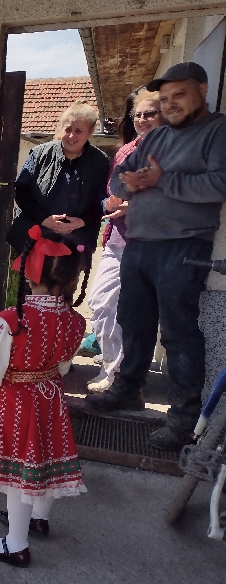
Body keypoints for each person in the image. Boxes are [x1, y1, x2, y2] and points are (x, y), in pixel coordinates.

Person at [85, 62, 226, 450]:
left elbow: (218, 184)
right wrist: (131, 182)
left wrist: (158, 180)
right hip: (139, 243)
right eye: (164, 99)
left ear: (202, 89)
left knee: (179, 333)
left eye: (179, 95)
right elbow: (117, 180)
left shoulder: (218, 130)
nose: (170, 104)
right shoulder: (155, 138)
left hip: (183, 245)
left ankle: (183, 421)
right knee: (133, 321)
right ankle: (128, 389)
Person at [0, 226, 88, 567]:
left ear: (29, 273)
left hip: (16, 403)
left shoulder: (12, 321)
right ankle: (39, 519)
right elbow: (64, 365)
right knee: (46, 461)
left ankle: (15, 543)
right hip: (51, 399)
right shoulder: (74, 321)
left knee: (20, 475)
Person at [86, 89, 165, 393]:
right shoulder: (125, 150)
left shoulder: (171, 151)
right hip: (119, 239)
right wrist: (109, 203)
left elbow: (173, 196)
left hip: (154, 243)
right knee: (101, 302)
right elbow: (111, 192)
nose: (142, 119)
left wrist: (135, 205)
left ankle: (118, 374)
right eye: (138, 114)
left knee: (135, 312)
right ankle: (113, 365)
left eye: (150, 113)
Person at [8, 101, 111, 256]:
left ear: (89, 133)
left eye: (78, 131)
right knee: (35, 280)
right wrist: (45, 219)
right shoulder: (39, 154)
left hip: (76, 241)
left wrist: (82, 221)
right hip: (37, 237)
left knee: (66, 279)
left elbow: (101, 199)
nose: (71, 135)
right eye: (68, 129)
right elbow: (21, 191)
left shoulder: (100, 161)